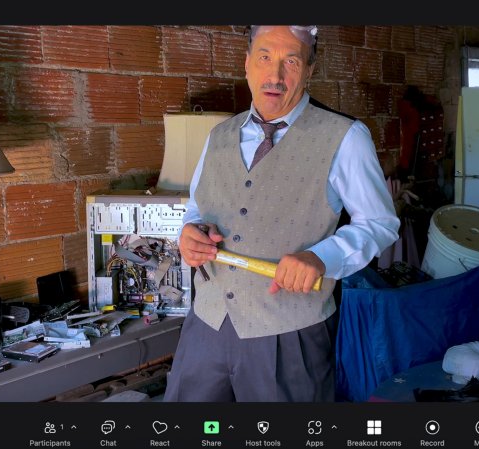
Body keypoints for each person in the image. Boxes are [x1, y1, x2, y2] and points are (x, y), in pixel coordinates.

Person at [163, 25, 400, 402]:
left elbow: (381, 224)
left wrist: (322, 258)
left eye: (291, 61)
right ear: (247, 64)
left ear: (309, 70)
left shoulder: (346, 137)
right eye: (264, 58)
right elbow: (197, 207)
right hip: (205, 324)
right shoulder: (218, 136)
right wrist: (191, 231)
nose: (274, 75)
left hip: (289, 333)